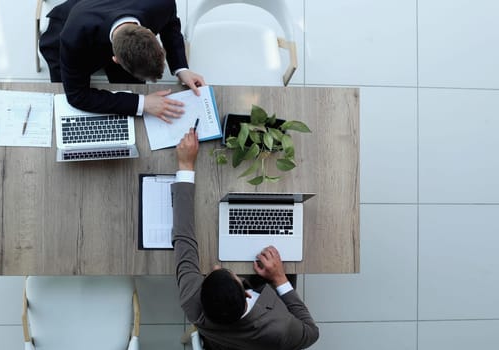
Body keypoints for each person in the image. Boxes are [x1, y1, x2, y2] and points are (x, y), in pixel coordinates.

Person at [172, 129, 319, 350]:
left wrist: (185, 168)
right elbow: (311, 332)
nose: (215, 265)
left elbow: (183, 237)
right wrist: (279, 279)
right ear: (247, 291)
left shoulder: (191, 301)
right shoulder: (279, 328)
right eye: (228, 273)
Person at [39, 0, 205, 122]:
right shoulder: (73, 38)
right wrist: (142, 103)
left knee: (132, 89)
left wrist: (181, 69)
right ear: (116, 60)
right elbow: (77, 96)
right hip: (67, 36)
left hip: (108, 14)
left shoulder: (162, 3)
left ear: (150, 32)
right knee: (65, 103)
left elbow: (171, 25)